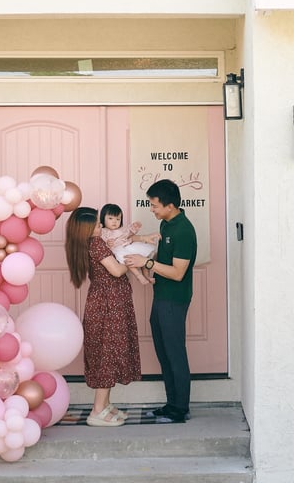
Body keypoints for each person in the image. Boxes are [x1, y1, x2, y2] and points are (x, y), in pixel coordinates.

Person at [125, 179, 197, 424]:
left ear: (170, 205)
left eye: (155, 205)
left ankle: (180, 409)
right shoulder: (166, 225)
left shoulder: (183, 231)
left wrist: (146, 263)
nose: (152, 209)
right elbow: (162, 258)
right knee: (164, 353)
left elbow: (178, 273)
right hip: (162, 297)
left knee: (175, 353)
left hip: (174, 301)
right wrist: (148, 260)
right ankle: (172, 404)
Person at [65, 206, 142, 427]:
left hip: (107, 302)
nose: (101, 226)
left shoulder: (90, 243)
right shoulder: (97, 244)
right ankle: (97, 410)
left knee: (108, 351)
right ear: (86, 229)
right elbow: (116, 270)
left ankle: (105, 405)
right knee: (107, 353)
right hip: (109, 305)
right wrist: (134, 258)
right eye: (97, 224)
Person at [99, 203, 157, 285]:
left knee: (144, 257)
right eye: (110, 218)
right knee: (128, 259)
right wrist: (108, 243)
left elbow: (129, 234)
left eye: (118, 219)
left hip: (127, 246)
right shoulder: (103, 231)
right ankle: (139, 276)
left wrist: (135, 227)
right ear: (103, 218)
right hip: (117, 249)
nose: (114, 222)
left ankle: (146, 275)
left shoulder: (122, 229)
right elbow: (102, 243)